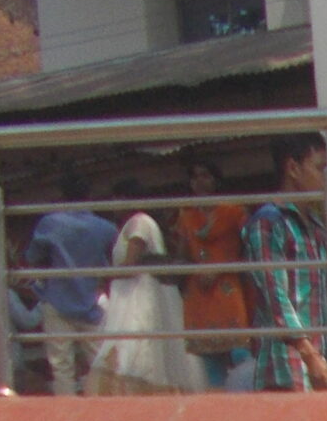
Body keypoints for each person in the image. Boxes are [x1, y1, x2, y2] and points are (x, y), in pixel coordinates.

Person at [242, 131, 327, 392]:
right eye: (320, 168)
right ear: (293, 168)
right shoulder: (269, 221)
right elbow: (276, 297)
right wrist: (309, 355)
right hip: (286, 366)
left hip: (319, 362)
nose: (326, 179)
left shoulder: (317, 227)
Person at [23, 172, 116, 395]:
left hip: (57, 299)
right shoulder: (105, 228)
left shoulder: (50, 223)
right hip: (91, 299)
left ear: (62, 194)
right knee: (99, 362)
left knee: (61, 365)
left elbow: (33, 256)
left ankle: (67, 416)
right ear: (89, 195)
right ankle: (103, 411)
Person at [89, 210, 192, 395]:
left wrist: (99, 274)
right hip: (129, 297)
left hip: (138, 298)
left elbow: (130, 267)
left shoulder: (139, 223)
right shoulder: (134, 224)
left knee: (135, 351)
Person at [174, 156, 250, 391]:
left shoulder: (234, 213)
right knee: (210, 365)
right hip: (200, 295)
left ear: (216, 180)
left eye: (205, 175)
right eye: (195, 176)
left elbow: (250, 250)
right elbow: (183, 255)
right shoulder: (186, 216)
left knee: (241, 355)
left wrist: (221, 267)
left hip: (228, 289)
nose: (199, 181)